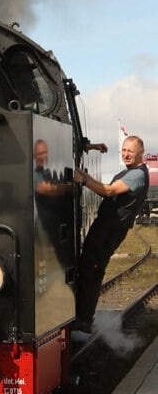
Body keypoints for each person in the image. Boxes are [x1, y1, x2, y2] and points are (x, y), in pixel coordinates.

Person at [71, 135, 149, 333]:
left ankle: (84, 320)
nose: (126, 154)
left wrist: (84, 179)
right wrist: (84, 175)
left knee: (93, 268)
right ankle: (79, 314)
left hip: (111, 229)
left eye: (131, 151)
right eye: (124, 150)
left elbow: (109, 190)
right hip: (106, 225)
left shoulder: (137, 175)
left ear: (141, 152)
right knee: (87, 264)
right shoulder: (129, 172)